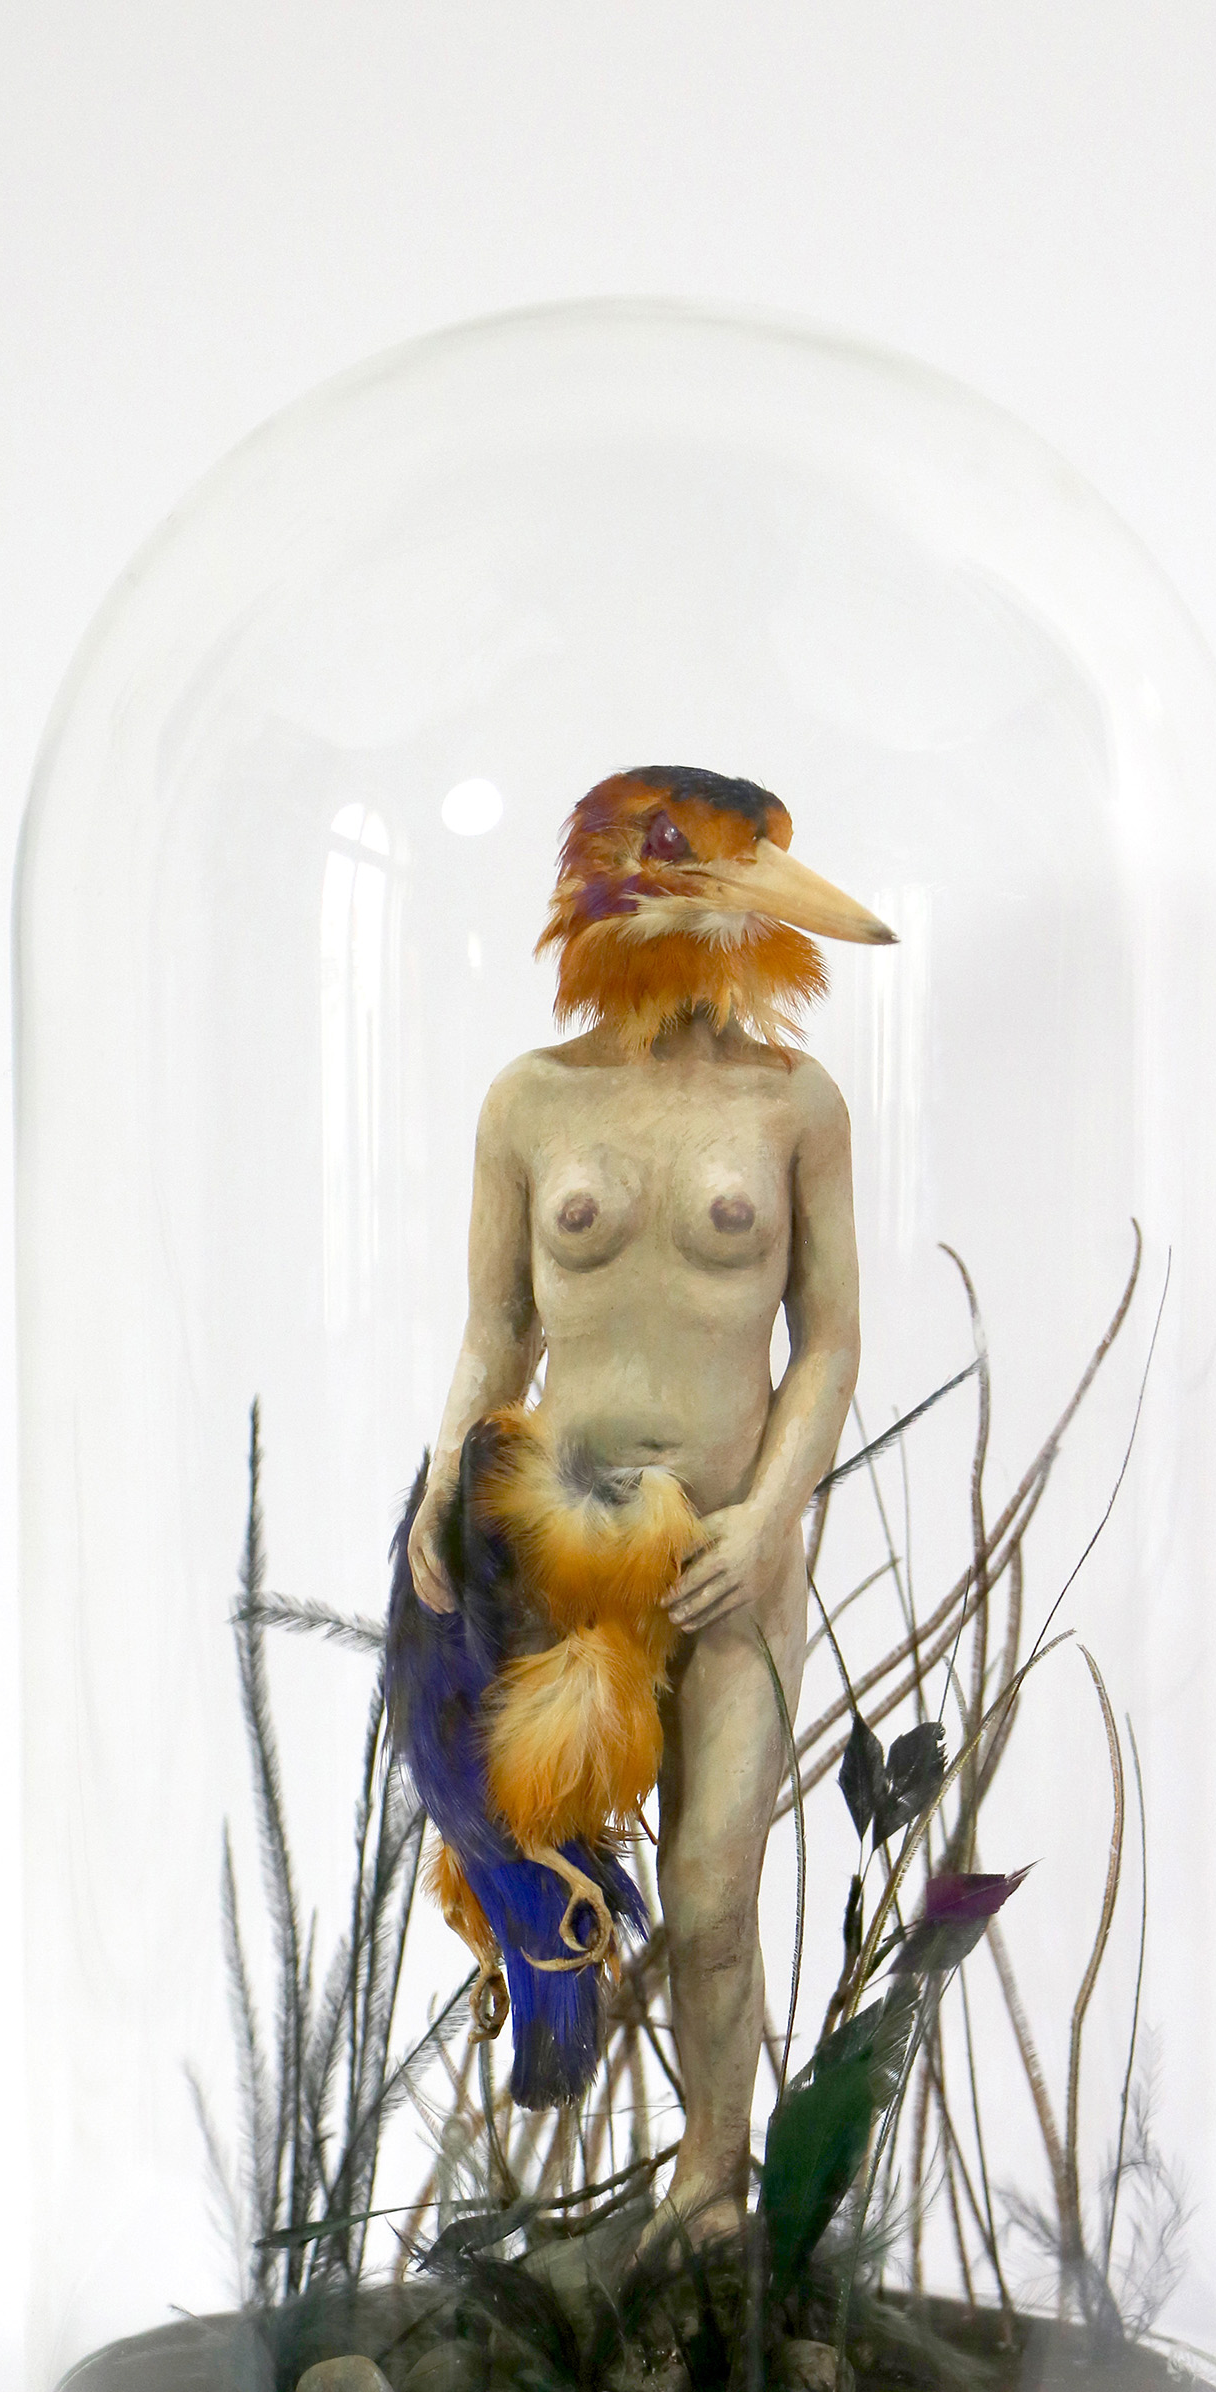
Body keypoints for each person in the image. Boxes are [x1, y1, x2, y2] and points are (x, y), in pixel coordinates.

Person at [405, 766, 886, 2238]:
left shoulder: (796, 1104)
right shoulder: (529, 1102)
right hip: (560, 1565)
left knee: (714, 1893)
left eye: (754, 857)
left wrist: (772, 1518)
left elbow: (832, 1342)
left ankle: (712, 2191)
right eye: (687, 852)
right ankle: (549, 2196)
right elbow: (498, 1327)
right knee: (543, 1878)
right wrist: (443, 1473)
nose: (735, 883)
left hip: (732, 1565)